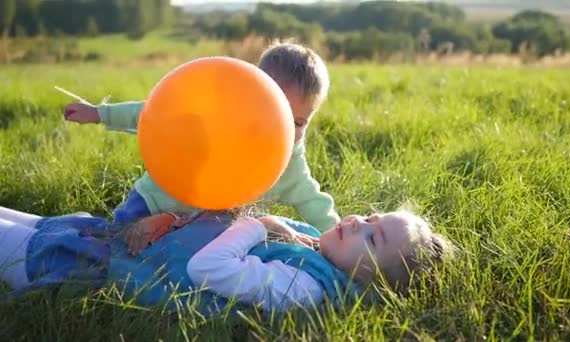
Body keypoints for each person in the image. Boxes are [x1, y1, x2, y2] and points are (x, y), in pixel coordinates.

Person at [62, 41, 340, 231]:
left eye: (299, 122)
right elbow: (153, 115)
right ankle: (72, 229)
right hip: (155, 202)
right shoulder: (216, 117)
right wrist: (99, 114)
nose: (286, 130)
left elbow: (311, 200)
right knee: (116, 238)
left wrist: (338, 234)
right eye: (275, 115)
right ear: (251, 94)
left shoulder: (289, 162)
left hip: (199, 226)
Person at [0, 206, 453, 314]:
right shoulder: (318, 246)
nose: (357, 221)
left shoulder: (304, 287)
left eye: (372, 239)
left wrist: (259, 225)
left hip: (100, 269)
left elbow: (207, 269)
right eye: (371, 217)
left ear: (368, 281)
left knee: (29, 243)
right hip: (117, 243)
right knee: (39, 224)